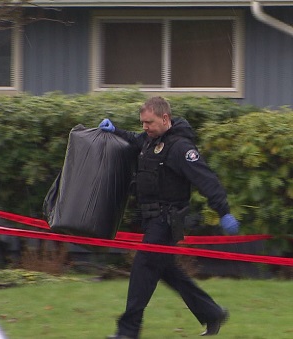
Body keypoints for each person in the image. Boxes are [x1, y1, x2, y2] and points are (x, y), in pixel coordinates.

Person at [99, 96, 240, 338]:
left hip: (166, 221)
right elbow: (134, 139)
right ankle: (212, 313)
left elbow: (207, 180)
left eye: (149, 122)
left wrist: (224, 212)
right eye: (142, 122)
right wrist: (115, 131)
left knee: (143, 268)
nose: (144, 127)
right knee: (166, 270)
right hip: (152, 219)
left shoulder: (180, 149)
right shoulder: (150, 139)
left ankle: (127, 331)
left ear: (165, 119)